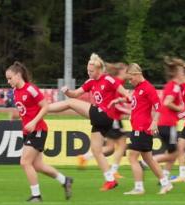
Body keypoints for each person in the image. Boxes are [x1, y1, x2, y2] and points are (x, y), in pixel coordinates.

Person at [48, 53, 129, 191]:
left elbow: (126, 94)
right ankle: (110, 180)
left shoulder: (108, 79)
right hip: (100, 120)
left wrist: (123, 101)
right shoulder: (90, 82)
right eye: (88, 70)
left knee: (70, 103)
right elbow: (75, 94)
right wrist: (67, 91)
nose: (88, 72)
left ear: (99, 70)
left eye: (91, 71)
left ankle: (43, 109)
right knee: (97, 151)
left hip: (104, 114)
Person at [6, 62, 73, 202]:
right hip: (28, 131)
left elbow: (45, 107)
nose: (8, 81)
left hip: (38, 130)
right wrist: (16, 115)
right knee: (38, 166)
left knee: (24, 162)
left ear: (18, 76)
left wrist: (34, 122)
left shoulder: (31, 89)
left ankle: (36, 196)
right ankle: (65, 180)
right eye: (7, 79)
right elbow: (26, 111)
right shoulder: (15, 92)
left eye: (10, 78)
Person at [115, 63, 173, 195]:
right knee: (148, 159)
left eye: (131, 78)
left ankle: (139, 188)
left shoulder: (148, 88)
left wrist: (154, 122)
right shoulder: (138, 88)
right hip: (139, 127)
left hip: (142, 129)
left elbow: (159, 107)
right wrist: (121, 103)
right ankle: (166, 183)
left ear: (136, 74)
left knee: (132, 157)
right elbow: (137, 105)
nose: (130, 81)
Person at [77, 62, 130, 179]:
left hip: (112, 117)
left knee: (111, 147)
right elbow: (114, 104)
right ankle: (113, 170)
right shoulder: (116, 83)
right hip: (113, 118)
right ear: (121, 71)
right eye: (126, 71)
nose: (128, 74)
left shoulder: (115, 81)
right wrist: (128, 112)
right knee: (122, 145)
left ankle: (86, 157)